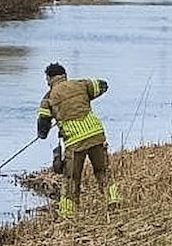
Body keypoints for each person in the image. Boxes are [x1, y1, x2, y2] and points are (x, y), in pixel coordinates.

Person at [37, 63, 120, 218]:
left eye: (47, 80)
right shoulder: (81, 85)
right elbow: (103, 85)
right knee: (102, 171)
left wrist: (44, 131)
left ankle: (68, 214)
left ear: (49, 78)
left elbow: (43, 125)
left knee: (71, 179)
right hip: (96, 133)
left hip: (75, 141)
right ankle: (113, 199)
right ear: (64, 75)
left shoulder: (48, 98)